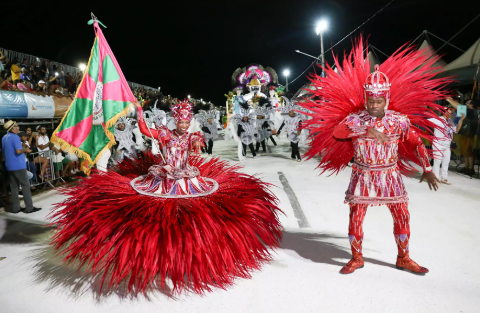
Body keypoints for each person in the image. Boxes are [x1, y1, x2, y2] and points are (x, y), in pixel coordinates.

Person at [50, 99, 282, 295]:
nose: (183, 124)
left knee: (190, 208)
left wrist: (197, 143)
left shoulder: (190, 136)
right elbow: (143, 130)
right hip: (165, 175)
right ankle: (159, 253)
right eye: (180, 121)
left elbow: (196, 146)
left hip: (184, 176)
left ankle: (186, 252)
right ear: (175, 121)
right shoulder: (165, 135)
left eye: (186, 122)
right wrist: (139, 112)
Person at [301, 39, 450, 276]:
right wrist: (364, 129)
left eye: (379, 101)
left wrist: (428, 168)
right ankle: (356, 258)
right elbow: (338, 132)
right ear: (366, 98)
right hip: (363, 174)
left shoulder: (398, 120)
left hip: (391, 174)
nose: (374, 104)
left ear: (387, 99)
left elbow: (416, 142)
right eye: (370, 100)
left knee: (402, 214)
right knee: (356, 216)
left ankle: (404, 257)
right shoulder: (355, 119)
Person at [1, 121, 41, 214]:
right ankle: (29, 208)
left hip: (9, 166)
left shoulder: (4, 137)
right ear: (12, 128)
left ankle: (16, 208)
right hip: (18, 165)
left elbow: (3, 153)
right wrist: (26, 150)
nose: (18, 128)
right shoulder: (15, 137)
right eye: (16, 126)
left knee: (14, 187)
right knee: (25, 186)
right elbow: (18, 151)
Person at [446, 97, 479, 175]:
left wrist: (449, 100)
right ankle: (466, 167)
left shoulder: (471, 111)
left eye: (468, 103)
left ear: (471, 105)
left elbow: (459, 107)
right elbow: (459, 106)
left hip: (469, 134)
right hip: (465, 133)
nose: (466, 104)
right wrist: (452, 100)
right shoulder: (469, 111)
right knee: (465, 151)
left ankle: (471, 169)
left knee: (469, 151)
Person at [428, 108, 456, 184]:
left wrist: (462, 120)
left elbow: (455, 130)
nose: (449, 114)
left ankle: (444, 178)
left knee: (446, 161)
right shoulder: (438, 119)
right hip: (438, 144)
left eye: (450, 113)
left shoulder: (450, 122)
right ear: (444, 113)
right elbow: (427, 121)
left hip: (447, 145)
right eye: (447, 113)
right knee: (437, 161)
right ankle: (435, 178)